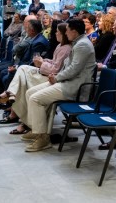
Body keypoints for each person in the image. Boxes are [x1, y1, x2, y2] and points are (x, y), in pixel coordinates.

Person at [17, 19, 97, 152]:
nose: (66, 32)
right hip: (67, 82)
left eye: (67, 30)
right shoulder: (78, 43)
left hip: (75, 87)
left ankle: (43, 138)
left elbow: (74, 69)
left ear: (74, 31)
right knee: (30, 92)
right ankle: (37, 130)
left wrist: (57, 78)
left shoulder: (82, 45)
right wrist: (56, 77)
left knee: (35, 99)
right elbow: (69, 67)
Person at [0, 23, 72, 132]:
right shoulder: (60, 45)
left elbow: (56, 70)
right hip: (47, 72)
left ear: (63, 34)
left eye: (58, 32)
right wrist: (44, 61)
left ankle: (22, 119)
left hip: (52, 78)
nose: (55, 33)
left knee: (24, 86)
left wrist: (42, 64)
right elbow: (55, 63)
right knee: (22, 68)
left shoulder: (66, 49)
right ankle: (10, 93)